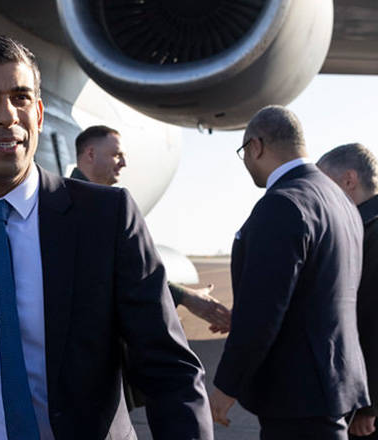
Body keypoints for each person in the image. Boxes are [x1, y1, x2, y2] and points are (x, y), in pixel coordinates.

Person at [0, 34, 212, 440]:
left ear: (38, 112)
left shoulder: (105, 217)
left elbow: (167, 367)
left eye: (20, 98)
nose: (8, 116)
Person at [210, 106, 368, 438]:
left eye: (244, 153)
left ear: (256, 147)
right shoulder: (340, 202)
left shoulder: (283, 202)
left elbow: (264, 310)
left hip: (297, 397)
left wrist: (227, 386)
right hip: (333, 387)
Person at [70, 125, 231, 333]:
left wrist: (183, 295)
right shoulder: (84, 205)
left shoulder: (73, 200)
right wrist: (185, 296)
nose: (124, 163)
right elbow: (121, 272)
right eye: (116, 155)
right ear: (90, 153)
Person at [316, 143, 378, 439]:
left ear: (349, 181)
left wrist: (366, 406)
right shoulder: (362, 228)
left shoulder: (370, 234)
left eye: (323, 183)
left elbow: (372, 323)